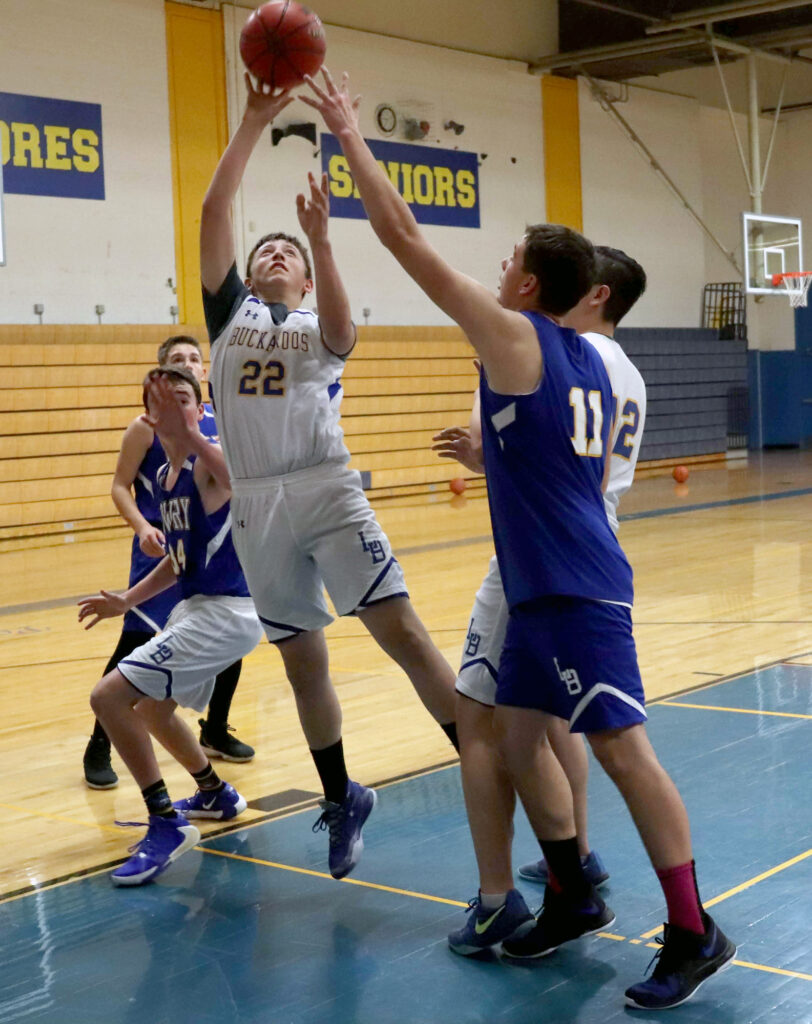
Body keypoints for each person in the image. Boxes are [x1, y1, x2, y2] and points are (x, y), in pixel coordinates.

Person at [301, 69, 735, 1011]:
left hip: (574, 584)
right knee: (506, 729)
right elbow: (542, 460)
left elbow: (405, 237)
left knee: (625, 753)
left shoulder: (521, 340)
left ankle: (696, 929)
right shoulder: (587, 357)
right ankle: (570, 888)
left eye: (509, 259)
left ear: (531, 284)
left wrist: (346, 127)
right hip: (543, 580)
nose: (497, 267)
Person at [198, 74, 459, 881]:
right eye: (264, 250)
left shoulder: (320, 320)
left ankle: (478, 754)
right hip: (256, 501)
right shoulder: (229, 317)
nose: (275, 253)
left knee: (403, 635)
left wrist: (327, 238)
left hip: (325, 488)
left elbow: (345, 331)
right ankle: (342, 794)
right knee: (302, 661)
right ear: (246, 275)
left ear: (305, 279)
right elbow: (215, 214)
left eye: (291, 253)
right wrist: (250, 122)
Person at [431, 247, 647, 956]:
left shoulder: (560, 351)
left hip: (545, 552)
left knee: (482, 718)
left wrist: (491, 446)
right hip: (592, 539)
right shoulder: (624, 370)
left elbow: (543, 457)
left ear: (594, 293)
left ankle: (498, 899)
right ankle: (574, 861)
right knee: (553, 727)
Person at [79, 367, 264, 886]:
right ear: (147, 414)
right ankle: (214, 793)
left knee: (108, 698)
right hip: (199, 610)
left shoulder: (210, 465)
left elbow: (235, 478)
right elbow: (179, 560)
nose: (173, 407)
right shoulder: (163, 479)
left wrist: (194, 438)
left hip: (228, 613)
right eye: (161, 400)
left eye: (184, 398)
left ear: (201, 410)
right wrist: (128, 600)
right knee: (155, 712)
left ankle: (165, 824)